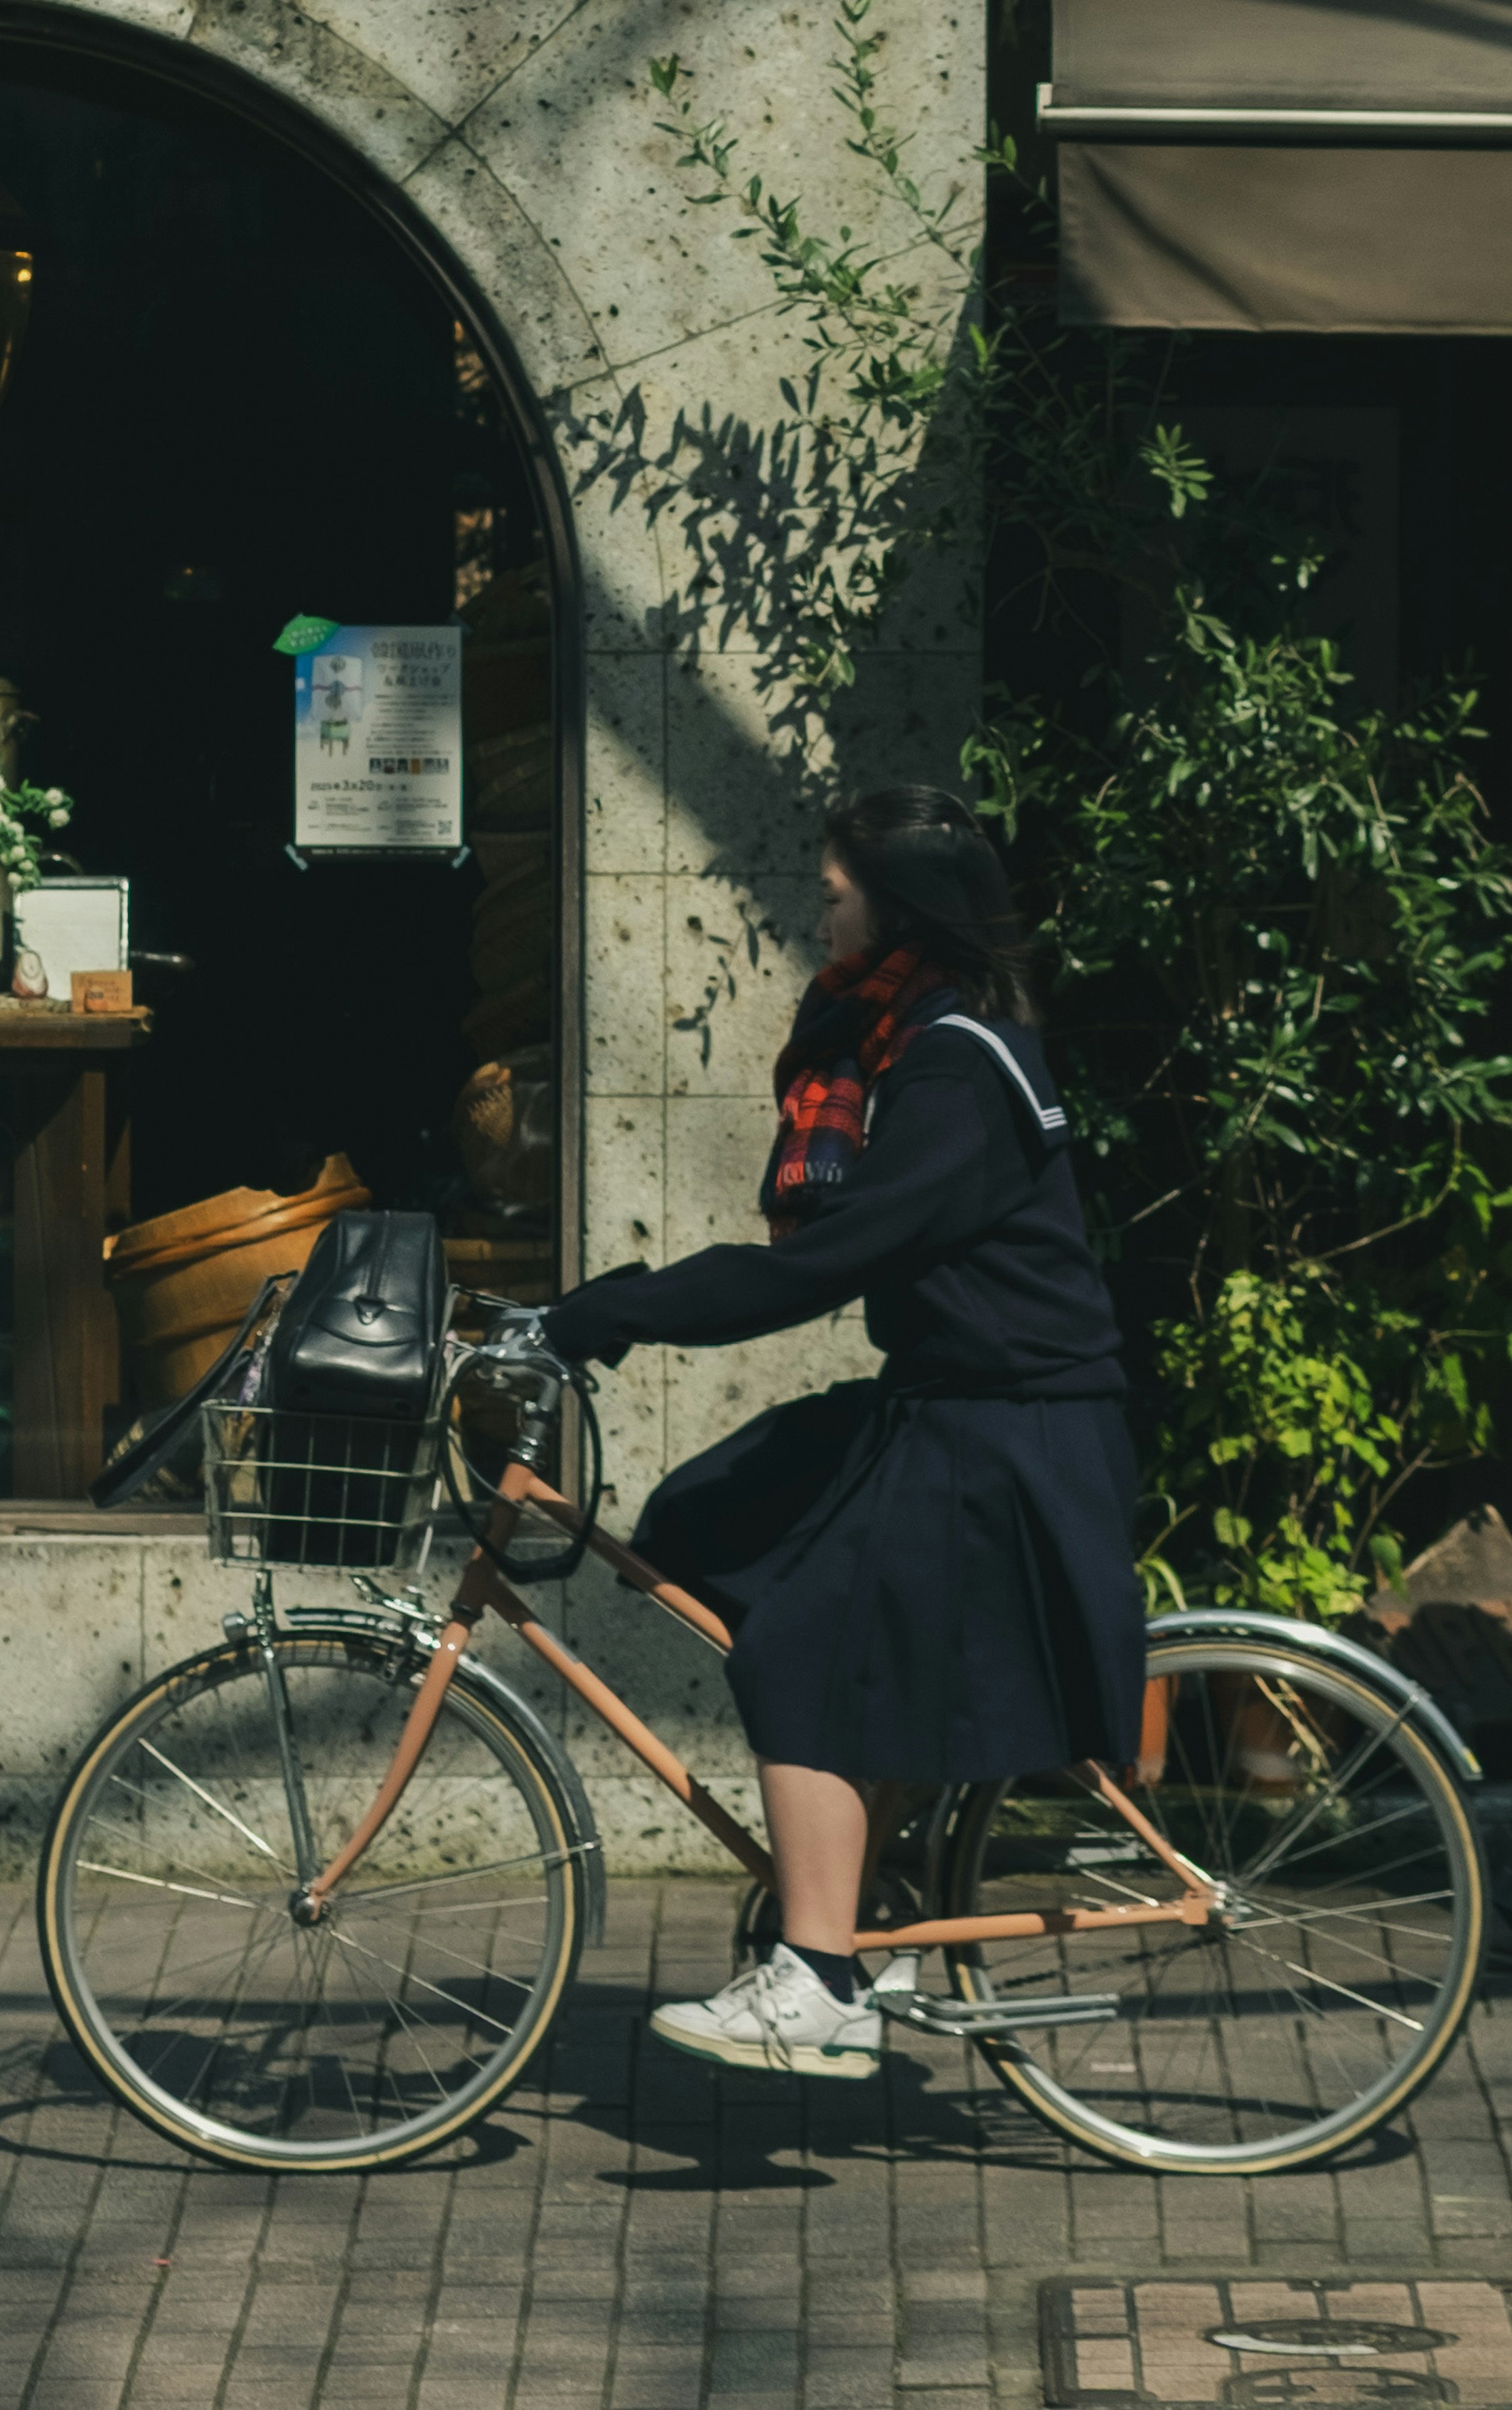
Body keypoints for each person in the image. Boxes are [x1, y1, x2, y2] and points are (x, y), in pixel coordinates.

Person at [513, 783, 1145, 2083]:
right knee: (706, 1515)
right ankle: (881, 1895)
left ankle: (818, 1979)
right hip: (957, 1399)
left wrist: (606, 1312)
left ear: (895, 901)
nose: (820, 905)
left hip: (1006, 1430)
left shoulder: (956, 1062)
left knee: (801, 1647)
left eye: (835, 887)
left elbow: (822, 1266)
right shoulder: (916, 1033)